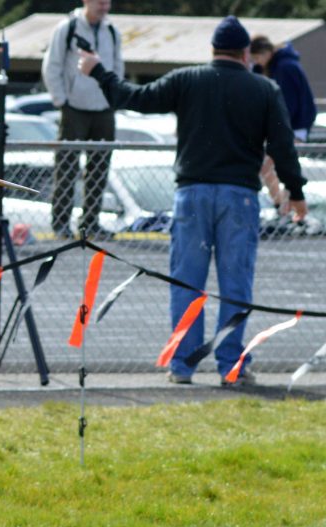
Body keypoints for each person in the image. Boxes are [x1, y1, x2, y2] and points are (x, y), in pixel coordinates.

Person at [79, 15, 308, 387]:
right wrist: (295, 193)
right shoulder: (264, 89)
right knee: (236, 284)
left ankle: (182, 365)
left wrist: (98, 71)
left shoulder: (187, 80)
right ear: (246, 52)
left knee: (187, 282)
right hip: (239, 197)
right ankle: (230, 365)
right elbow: (282, 147)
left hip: (192, 195)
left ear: (213, 50)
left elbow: (134, 98)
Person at [42, 0, 122, 240]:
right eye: (99, 1)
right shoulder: (67, 27)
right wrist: (62, 101)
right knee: (67, 165)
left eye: (107, 1)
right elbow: (52, 66)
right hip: (74, 107)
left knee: (99, 166)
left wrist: (114, 97)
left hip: (104, 107)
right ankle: (61, 223)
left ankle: (90, 223)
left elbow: (118, 66)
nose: (104, 5)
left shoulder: (112, 31)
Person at [250, 35, 317, 142]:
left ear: (266, 52)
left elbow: (288, 103)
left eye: (256, 58)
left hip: (293, 127)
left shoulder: (285, 68)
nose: (256, 62)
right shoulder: (271, 66)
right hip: (285, 126)